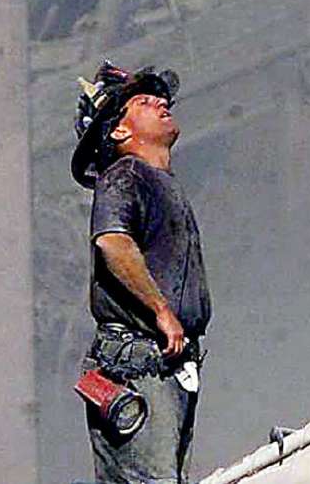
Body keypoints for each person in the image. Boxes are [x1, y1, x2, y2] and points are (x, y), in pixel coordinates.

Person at [71, 61, 212, 484]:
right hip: (138, 363)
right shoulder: (125, 175)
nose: (160, 103)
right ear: (118, 132)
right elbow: (113, 243)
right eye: (143, 101)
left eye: (160, 98)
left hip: (167, 364)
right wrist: (160, 309)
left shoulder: (158, 182)